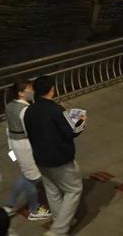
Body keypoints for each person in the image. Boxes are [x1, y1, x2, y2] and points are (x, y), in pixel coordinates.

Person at [23, 75, 85, 236]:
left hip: (40, 158)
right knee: (74, 190)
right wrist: (81, 121)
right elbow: (71, 132)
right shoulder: (56, 110)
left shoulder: (29, 111)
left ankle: (60, 221)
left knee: (52, 192)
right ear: (52, 90)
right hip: (60, 159)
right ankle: (59, 230)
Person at [3, 80, 51, 221]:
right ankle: (34, 210)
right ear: (21, 93)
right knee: (33, 179)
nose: (32, 91)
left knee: (25, 175)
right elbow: (32, 130)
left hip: (14, 145)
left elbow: (8, 128)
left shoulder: (10, 106)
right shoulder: (25, 110)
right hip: (25, 147)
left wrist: (11, 152)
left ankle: (9, 206)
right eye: (29, 89)